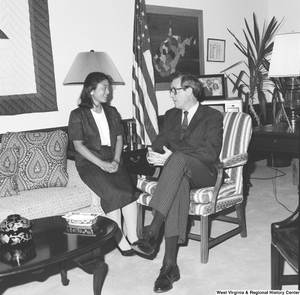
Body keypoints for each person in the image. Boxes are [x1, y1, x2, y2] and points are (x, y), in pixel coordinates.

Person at [131, 73, 223, 292]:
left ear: (189, 90)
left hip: (204, 172)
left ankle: (152, 231)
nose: (170, 95)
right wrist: (152, 155)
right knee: (178, 184)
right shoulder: (171, 115)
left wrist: (171, 156)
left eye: (174, 90)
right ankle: (169, 266)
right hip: (179, 175)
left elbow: (209, 152)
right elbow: (158, 143)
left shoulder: (212, 116)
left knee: (177, 159)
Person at [68, 72, 138, 256]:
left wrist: (115, 160)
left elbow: (119, 138)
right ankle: (120, 239)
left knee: (129, 193)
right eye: (104, 87)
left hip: (112, 158)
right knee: (114, 194)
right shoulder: (78, 114)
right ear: (91, 90)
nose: (108, 91)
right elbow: (78, 145)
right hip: (90, 163)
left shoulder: (112, 112)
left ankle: (134, 236)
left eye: (108, 87)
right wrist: (101, 163)